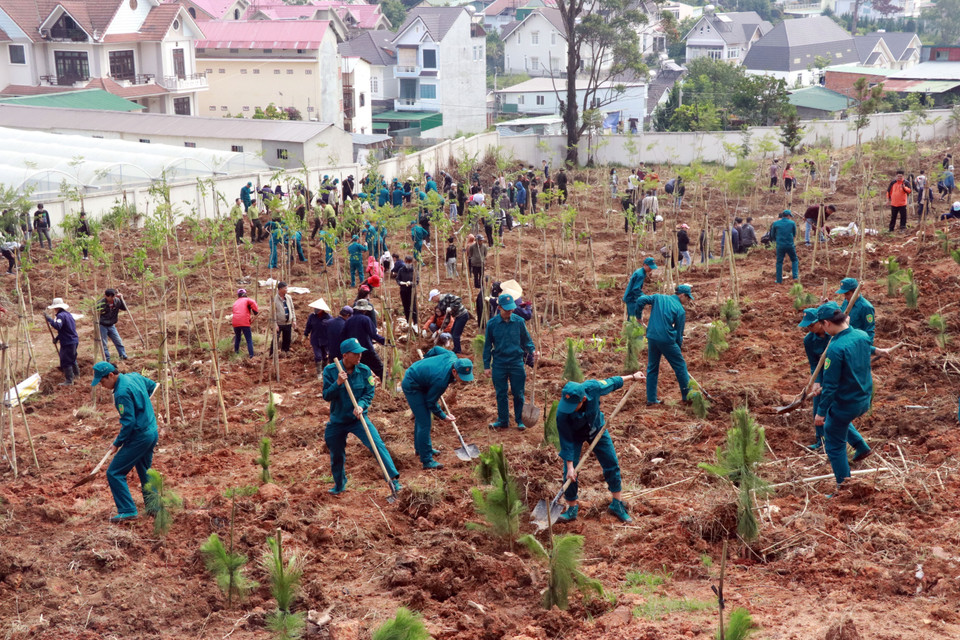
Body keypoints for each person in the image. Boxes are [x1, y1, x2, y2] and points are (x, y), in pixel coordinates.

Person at [555, 371, 646, 524]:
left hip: (597, 428)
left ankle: (617, 504)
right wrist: (570, 466)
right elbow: (566, 440)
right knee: (569, 471)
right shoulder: (562, 413)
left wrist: (632, 377)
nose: (569, 408)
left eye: (573, 406)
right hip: (574, 436)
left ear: (583, 399)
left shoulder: (592, 387)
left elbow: (612, 382)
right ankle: (571, 508)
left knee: (611, 462)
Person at [322, 338, 402, 494]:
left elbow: (369, 392)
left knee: (377, 446)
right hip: (338, 420)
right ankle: (339, 484)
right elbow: (326, 396)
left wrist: (361, 405)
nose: (360, 356)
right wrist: (337, 383)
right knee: (336, 453)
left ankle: (394, 480)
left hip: (358, 419)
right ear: (345, 355)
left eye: (361, 353)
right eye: (356, 353)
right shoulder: (331, 371)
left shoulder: (365, 371)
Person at [812, 303, 873, 490]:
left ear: (827, 323)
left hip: (848, 402)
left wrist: (820, 412)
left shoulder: (836, 348)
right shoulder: (862, 336)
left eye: (822, 325)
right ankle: (861, 447)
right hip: (864, 398)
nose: (822, 329)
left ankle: (844, 487)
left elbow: (830, 387)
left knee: (833, 442)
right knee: (837, 420)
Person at [92, 361, 160, 523]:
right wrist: (142, 405)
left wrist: (117, 443)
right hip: (152, 431)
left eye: (102, 382)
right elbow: (152, 386)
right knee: (144, 470)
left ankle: (127, 510)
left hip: (139, 437)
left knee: (114, 472)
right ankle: (154, 507)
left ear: (111, 375)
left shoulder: (121, 393)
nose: (102, 385)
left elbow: (128, 423)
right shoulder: (134, 376)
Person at [402, 348, 475, 469]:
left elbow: (436, 349)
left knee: (422, 418)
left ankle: (421, 449)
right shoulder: (441, 381)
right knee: (425, 421)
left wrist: (426, 359)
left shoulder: (451, 355)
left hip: (424, 381)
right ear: (454, 371)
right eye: (462, 377)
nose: (463, 380)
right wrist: (443, 416)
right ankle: (427, 461)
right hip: (413, 384)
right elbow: (430, 402)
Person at [483, 293, 537, 431]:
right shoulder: (492, 324)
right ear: (499, 307)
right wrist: (486, 366)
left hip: (516, 362)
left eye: (511, 308)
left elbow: (527, 340)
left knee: (518, 393)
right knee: (501, 393)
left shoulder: (519, 321)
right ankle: (503, 420)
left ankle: (520, 420)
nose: (510, 311)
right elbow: (488, 346)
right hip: (499, 363)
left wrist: (533, 351)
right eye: (507, 309)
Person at [635, 285, 693, 405]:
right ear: (681, 295)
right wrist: (677, 349)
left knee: (652, 367)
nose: (687, 301)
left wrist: (638, 316)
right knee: (680, 366)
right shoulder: (680, 310)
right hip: (666, 339)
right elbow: (679, 334)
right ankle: (687, 397)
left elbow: (641, 300)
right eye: (687, 297)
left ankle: (651, 399)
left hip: (651, 336)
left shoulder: (658, 297)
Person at [799, 307, 830, 450]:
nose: (809, 328)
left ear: (820, 322)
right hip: (822, 372)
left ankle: (837, 439)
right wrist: (816, 381)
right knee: (818, 406)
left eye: (812, 325)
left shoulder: (833, 334)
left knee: (834, 406)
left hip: (838, 371)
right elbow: (813, 363)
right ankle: (821, 441)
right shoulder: (808, 340)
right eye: (807, 326)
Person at [342, 299, 385, 379]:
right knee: (380, 369)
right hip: (366, 349)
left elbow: (343, 336)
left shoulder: (348, 321)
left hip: (353, 351)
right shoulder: (365, 319)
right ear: (364, 310)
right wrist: (385, 341)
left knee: (357, 371)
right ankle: (387, 387)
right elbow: (373, 334)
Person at [44, 297, 79, 385]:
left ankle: (69, 380)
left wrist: (49, 320)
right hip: (73, 340)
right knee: (72, 358)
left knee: (65, 360)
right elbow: (66, 329)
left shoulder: (61, 316)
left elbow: (58, 326)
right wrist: (57, 338)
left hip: (68, 342)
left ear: (56, 308)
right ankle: (77, 376)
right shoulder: (68, 315)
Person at [835, 277, 875, 351]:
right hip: (844, 341)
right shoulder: (846, 301)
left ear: (856, 291)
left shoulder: (866, 307)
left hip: (856, 344)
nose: (845, 297)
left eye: (847, 294)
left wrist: (866, 349)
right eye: (844, 294)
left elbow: (869, 330)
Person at [96, 289, 129, 362]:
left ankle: (123, 355)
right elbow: (95, 314)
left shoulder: (117, 301)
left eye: (114, 297)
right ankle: (107, 359)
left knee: (118, 340)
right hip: (102, 325)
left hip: (111, 325)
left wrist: (122, 299)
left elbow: (125, 308)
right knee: (104, 343)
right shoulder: (101, 304)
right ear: (106, 296)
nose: (113, 299)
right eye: (111, 297)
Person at [304, 298, 332, 377]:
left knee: (325, 356)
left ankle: (324, 371)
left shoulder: (328, 317)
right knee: (318, 356)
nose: (315, 310)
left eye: (318, 309)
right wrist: (305, 335)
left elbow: (331, 328)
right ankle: (319, 373)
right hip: (315, 339)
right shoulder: (312, 317)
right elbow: (308, 327)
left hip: (325, 339)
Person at [770, 210, 799, 283]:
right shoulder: (792, 223)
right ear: (788, 216)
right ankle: (795, 277)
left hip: (780, 245)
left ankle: (779, 280)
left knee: (779, 262)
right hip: (790, 245)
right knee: (794, 260)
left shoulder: (775, 223)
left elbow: (772, 235)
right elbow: (794, 234)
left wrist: (776, 241)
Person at [269, 282, 296, 356]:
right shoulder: (274, 299)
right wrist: (274, 324)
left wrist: (294, 320)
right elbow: (272, 313)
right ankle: (272, 354)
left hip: (288, 322)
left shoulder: (288, 298)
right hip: (279, 323)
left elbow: (292, 309)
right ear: (280, 289)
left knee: (287, 338)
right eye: (285, 288)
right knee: (275, 338)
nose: (287, 289)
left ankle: (285, 351)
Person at [231, 289, 258, 358]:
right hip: (244, 322)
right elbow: (253, 303)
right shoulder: (247, 300)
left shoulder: (235, 302)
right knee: (249, 339)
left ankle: (236, 353)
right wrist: (255, 312)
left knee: (237, 337)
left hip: (235, 322)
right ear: (245, 294)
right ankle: (251, 355)